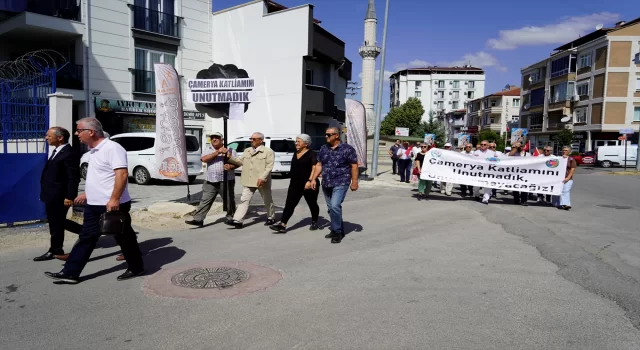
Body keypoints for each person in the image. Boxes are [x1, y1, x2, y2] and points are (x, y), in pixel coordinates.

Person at [44, 118, 144, 284]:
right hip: (94, 204)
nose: (76, 134)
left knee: (124, 237)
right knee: (87, 237)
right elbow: (100, 177)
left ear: (90, 132)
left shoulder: (112, 148)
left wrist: (114, 199)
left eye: (79, 130)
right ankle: (71, 273)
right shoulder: (93, 151)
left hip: (112, 205)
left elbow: (122, 175)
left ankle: (136, 267)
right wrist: (87, 193)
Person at [35, 127, 80, 262]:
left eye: (49, 136)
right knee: (56, 222)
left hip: (60, 196)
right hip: (52, 194)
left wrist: (69, 196)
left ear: (60, 138)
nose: (46, 138)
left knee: (56, 223)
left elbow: (73, 177)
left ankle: (55, 250)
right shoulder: (57, 151)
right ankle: (87, 232)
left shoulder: (69, 154)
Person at [310, 126, 358, 244]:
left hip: (341, 181)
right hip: (326, 182)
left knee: (335, 205)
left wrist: (355, 182)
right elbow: (319, 164)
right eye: (325, 134)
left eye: (329, 135)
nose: (326, 137)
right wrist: (313, 179)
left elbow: (354, 166)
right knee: (331, 208)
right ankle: (337, 228)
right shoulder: (323, 148)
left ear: (336, 135)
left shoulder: (347, 149)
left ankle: (337, 231)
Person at [269, 134, 320, 234]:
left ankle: (315, 221)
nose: (296, 143)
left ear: (306, 144)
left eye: (298, 141)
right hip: (295, 184)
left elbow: (314, 168)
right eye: (296, 141)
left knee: (312, 203)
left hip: (308, 184)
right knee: (289, 204)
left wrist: (310, 181)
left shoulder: (312, 154)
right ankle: (282, 225)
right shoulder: (295, 153)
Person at [185, 132, 237, 227]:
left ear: (222, 140)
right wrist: (217, 152)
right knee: (205, 200)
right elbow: (204, 159)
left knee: (228, 200)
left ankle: (231, 217)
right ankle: (198, 219)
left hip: (226, 180)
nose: (214, 139)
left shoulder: (230, 150)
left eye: (216, 138)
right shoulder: (208, 149)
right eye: (212, 138)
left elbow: (237, 163)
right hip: (210, 180)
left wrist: (230, 165)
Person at [227, 132, 275, 228]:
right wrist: (230, 157)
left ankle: (271, 217)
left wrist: (262, 178)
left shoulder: (268, 151)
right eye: (251, 139)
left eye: (254, 139)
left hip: (261, 181)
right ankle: (238, 220)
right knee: (244, 200)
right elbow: (240, 161)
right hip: (248, 180)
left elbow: (269, 167)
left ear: (261, 140)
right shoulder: (247, 150)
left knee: (267, 200)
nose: (251, 141)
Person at [473, 140, 496, 204]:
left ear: (488, 146)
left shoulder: (492, 153)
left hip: (488, 172)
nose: (482, 145)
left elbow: (497, 161)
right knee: (476, 186)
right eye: (481, 144)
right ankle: (477, 195)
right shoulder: (476, 152)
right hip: (478, 172)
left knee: (488, 186)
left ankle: (485, 199)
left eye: (484, 144)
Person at [509, 141, 529, 206]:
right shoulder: (514, 153)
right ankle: (516, 199)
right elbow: (509, 155)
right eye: (516, 146)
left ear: (522, 147)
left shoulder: (527, 154)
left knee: (524, 187)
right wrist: (515, 148)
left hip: (524, 173)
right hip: (515, 173)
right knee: (515, 187)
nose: (518, 147)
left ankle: (524, 200)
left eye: (519, 146)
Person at [557, 146, 577, 210]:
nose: (564, 151)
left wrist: (568, 178)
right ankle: (555, 202)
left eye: (566, 150)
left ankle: (566, 204)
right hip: (558, 178)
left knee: (565, 191)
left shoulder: (571, 159)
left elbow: (572, 169)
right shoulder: (558, 158)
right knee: (557, 191)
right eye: (563, 150)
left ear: (569, 152)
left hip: (568, 178)